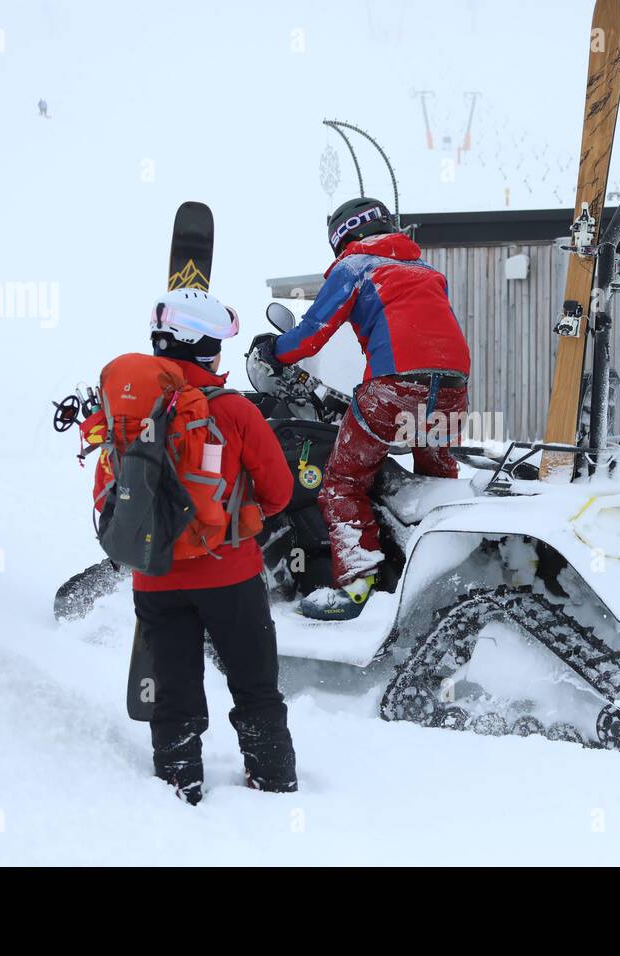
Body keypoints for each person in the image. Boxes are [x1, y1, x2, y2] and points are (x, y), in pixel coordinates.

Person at [118, 289, 297, 804]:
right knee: (255, 683)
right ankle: (274, 787)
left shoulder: (130, 407)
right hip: (230, 576)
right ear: (204, 350)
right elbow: (280, 492)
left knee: (172, 690)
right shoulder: (235, 410)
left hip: (154, 577)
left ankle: (179, 787)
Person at [258, 197, 471, 621]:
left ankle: (357, 585)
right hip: (451, 389)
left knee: (341, 482)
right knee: (437, 482)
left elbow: (311, 334)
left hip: (393, 387)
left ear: (341, 238)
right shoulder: (427, 272)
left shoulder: (354, 267)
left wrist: (273, 351)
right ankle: (446, 575)